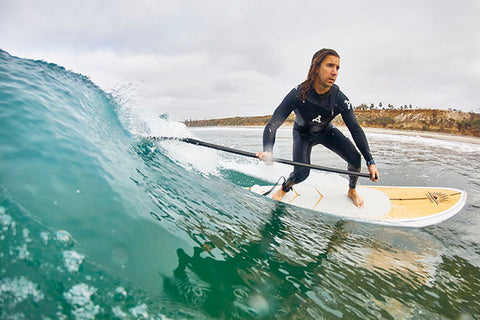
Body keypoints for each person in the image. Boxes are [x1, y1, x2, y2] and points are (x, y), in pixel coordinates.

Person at [256, 48, 379, 208]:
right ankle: (285, 187)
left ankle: (352, 190)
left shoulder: (339, 99)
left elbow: (355, 129)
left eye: (337, 68)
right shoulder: (298, 94)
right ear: (316, 67)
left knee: (355, 159)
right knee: (301, 174)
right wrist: (268, 150)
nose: (334, 72)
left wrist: (370, 161)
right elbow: (274, 123)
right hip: (303, 134)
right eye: (330, 66)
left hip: (326, 132)